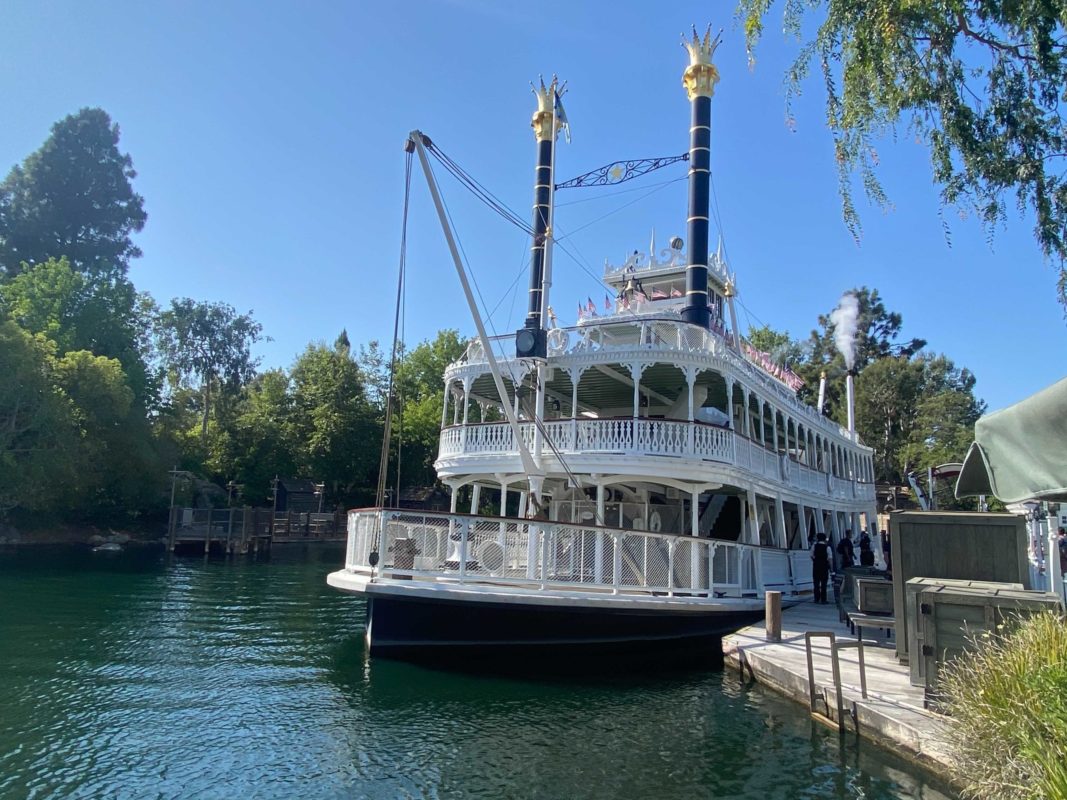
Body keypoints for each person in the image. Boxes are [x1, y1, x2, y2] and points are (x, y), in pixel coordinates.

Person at [810, 533, 831, 604]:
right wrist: (831, 568)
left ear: (817, 539)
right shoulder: (827, 547)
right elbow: (830, 558)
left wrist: (816, 560)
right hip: (824, 566)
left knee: (816, 583)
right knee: (824, 583)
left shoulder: (814, 546)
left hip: (816, 566)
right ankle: (823, 599)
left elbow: (811, 555)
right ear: (825, 539)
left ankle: (816, 598)